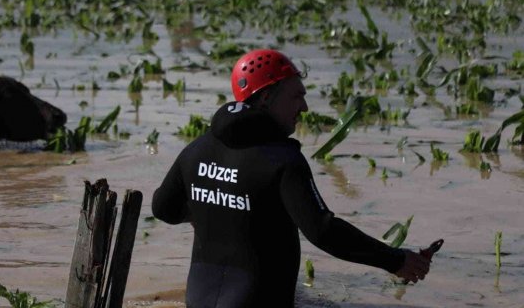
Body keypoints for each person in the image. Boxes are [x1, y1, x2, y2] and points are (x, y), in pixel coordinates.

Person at [152, 49, 432, 307]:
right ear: (265, 97)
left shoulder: (198, 148)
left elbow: (163, 209)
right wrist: (395, 260)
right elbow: (324, 232)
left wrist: (217, 210)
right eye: (296, 96)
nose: (305, 107)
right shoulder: (282, 159)